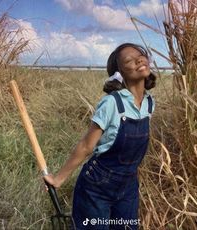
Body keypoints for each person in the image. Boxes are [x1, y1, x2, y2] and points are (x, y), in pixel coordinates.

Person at [44, 43, 156, 230]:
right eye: (129, 60)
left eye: (141, 55)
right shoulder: (112, 103)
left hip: (128, 187)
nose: (138, 60)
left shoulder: (149, 103)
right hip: (97, 187)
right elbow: (86, 146)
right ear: (120, 72)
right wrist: (58, 179)